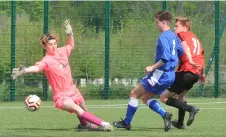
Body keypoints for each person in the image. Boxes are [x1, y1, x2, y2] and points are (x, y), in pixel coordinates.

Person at [11, 19, 113, 132]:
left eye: (55, 43)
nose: (53, 46)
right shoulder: (46, 61)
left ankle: (84, 126)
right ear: (45, 46)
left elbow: (71, 44)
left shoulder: (62, 51)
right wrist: (24, 70)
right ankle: (103, 124)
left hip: (73, 90)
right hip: (62, 97)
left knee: (84, 110)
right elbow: (37, 68)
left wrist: (70, 33)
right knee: (78, 110)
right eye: (50, 44)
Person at [113, 11, 184, 132]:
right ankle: (165, 115)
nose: (156, 25)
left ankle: (127, 122)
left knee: (134, 93)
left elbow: (165, 58)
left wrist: (152, 67)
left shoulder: (163, 37)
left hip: (160, 74)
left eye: (157, 22)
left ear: (164, 22)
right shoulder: (174, 36)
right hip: (170, 75)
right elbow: (180, 52)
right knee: (145, 97)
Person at [159, 16, 205, 129]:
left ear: (185, 27)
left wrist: (188, 60)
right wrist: (202, 74)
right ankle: (180, 123)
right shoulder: (195, 38)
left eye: (177, 26)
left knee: (163, 97)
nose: (174, 28)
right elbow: (201, 56)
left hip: (187, 71)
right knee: (180, 97)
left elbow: (185, 48)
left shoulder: (181, 35)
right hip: (195, 74)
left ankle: (191, 109)